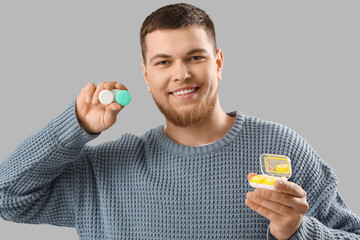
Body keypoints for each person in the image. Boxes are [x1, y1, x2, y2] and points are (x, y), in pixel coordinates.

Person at [0, 3, 359, 239]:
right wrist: (76, 126)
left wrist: (298, 231)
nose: (182, 74)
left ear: (217, 62)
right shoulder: (104, 171)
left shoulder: (282, 148)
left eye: (195, 57)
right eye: (163, 62)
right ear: (145, 75)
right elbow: (7, 197)